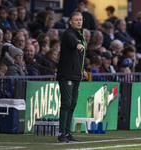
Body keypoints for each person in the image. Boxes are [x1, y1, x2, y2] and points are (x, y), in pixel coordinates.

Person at [57, 11, 88, 143]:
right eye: (76, 20)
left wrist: (82, 70)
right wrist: (77, 44)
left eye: (80, 20)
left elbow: (76, 57)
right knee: (66, 104)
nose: (79, 22)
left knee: (72, 104)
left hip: (76, 75)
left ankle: (68, 132)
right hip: (67, 75)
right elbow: (72, 41)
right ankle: (61, 133)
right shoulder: (69, 34)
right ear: (70, 22)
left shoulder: (80, 35)